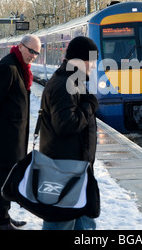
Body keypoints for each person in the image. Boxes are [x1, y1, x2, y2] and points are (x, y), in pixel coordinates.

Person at [0, 34, 41, 230]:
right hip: (7, 134)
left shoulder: (19, 66)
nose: (34, 56)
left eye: (37, 53)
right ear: (21, 47)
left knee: (7, 175)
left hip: (14, 132)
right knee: (5, 176)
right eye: (31, 51)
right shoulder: (8, 67)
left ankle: (3, 214)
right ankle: (0, 220)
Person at [39, 36, 99, 230]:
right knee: (60, 222)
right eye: (92, 60)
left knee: (83, 220)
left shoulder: (72, 81)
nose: (94, 65)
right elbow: (65, 125)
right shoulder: (65, 85)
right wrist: (90, 105)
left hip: (75, 165)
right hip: (64, 168)